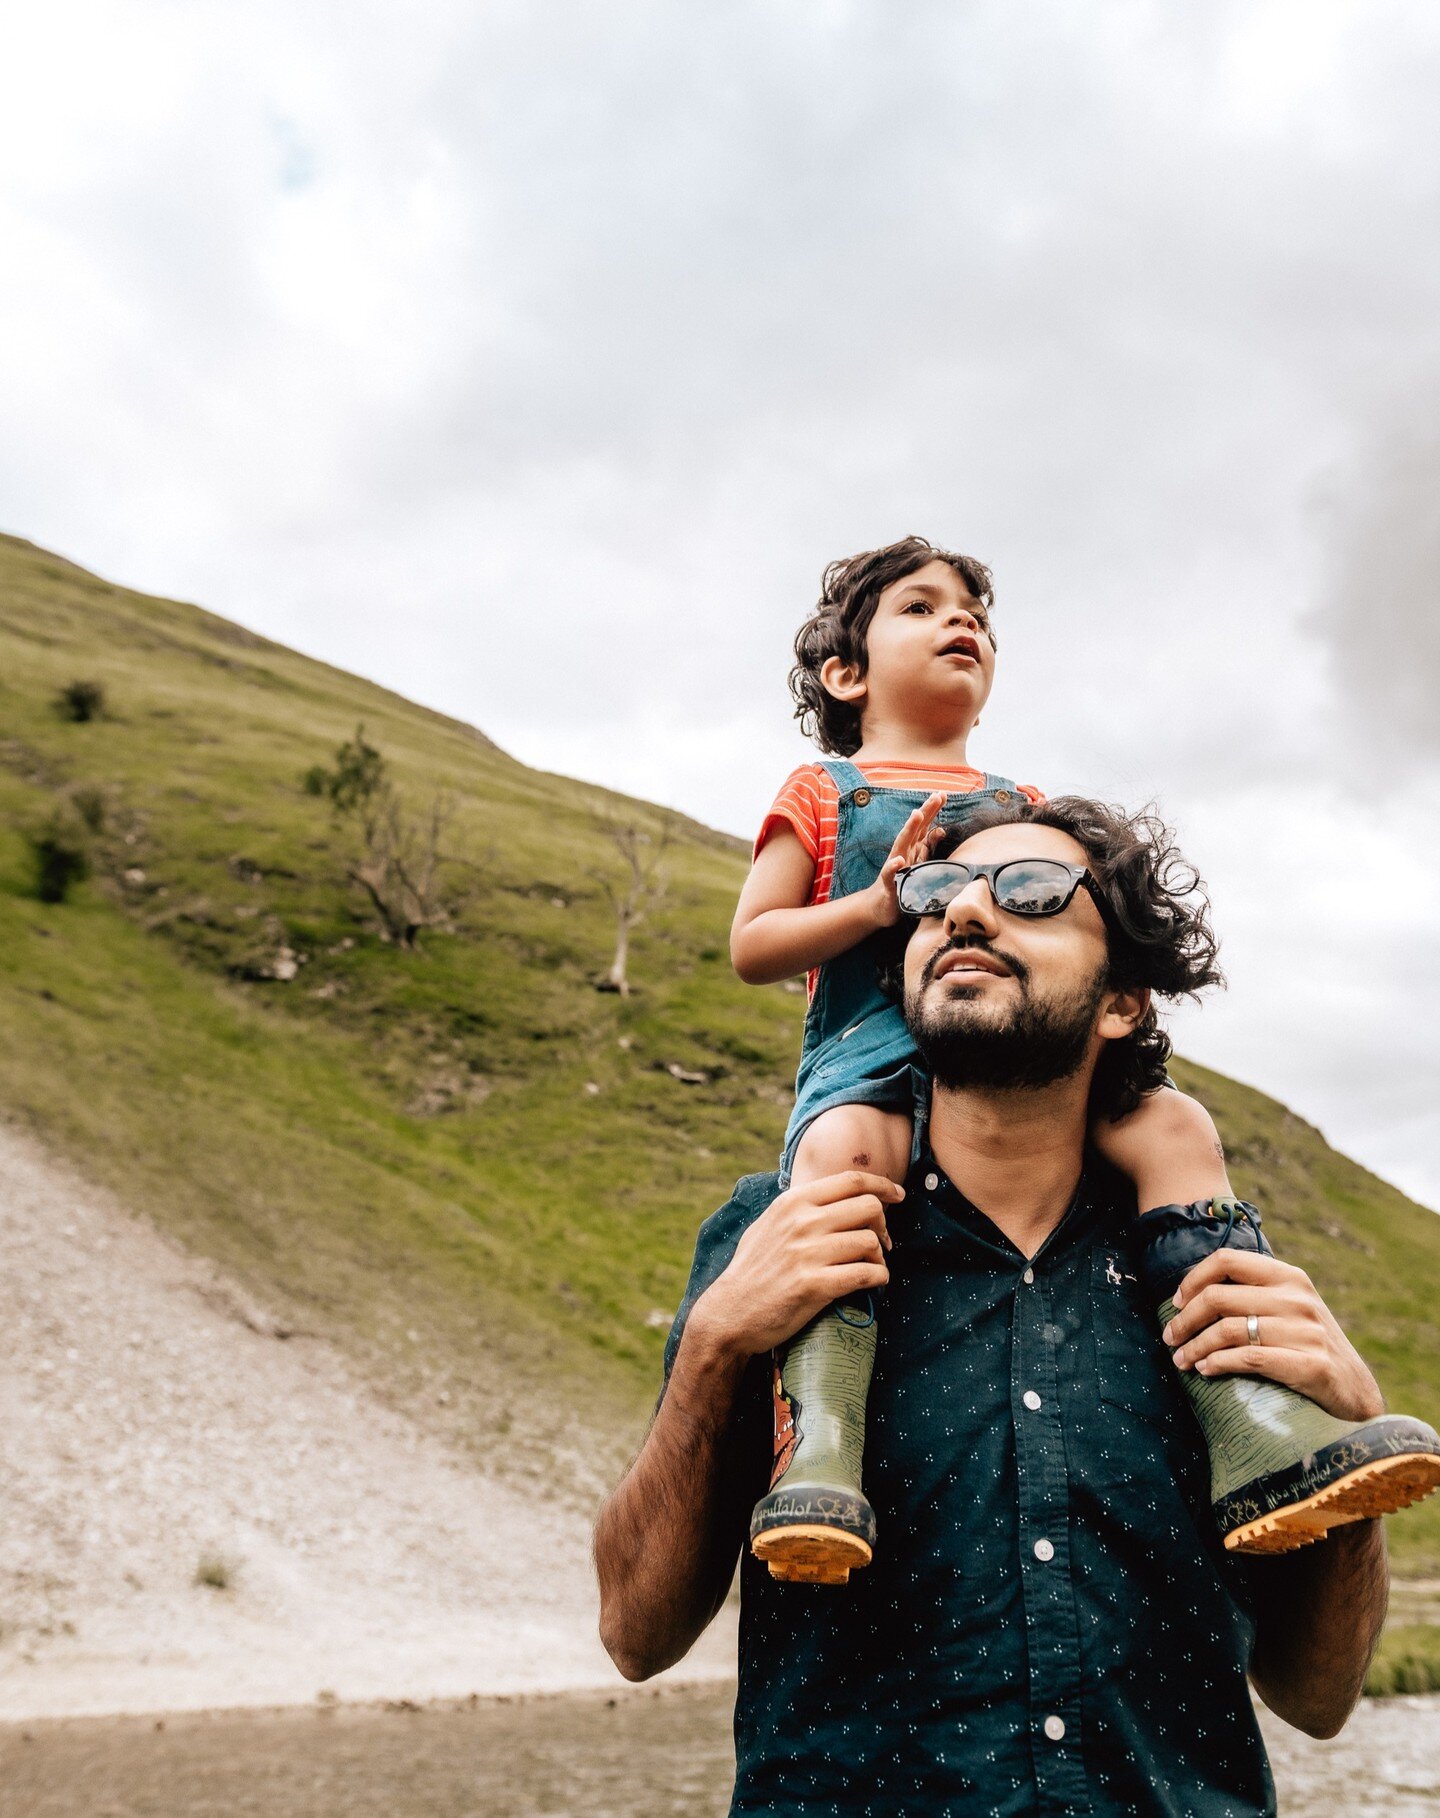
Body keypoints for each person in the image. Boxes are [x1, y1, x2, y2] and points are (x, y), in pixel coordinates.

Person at [596, 795, 1440, 1816]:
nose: (965, 914)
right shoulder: (779, 1242)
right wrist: (715, 1348)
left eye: (1031, 894)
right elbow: (636, 1635)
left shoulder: (1211, 1267)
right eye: (936, 894)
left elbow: (1318, 1697)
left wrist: (1343, 1471)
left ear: (1123, 1000)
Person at [730, 537, 1230, 1581]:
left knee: (1175, 1124)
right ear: (846, 674)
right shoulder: (824, 789)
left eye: (976, 615)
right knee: (842, 1154)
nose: (961, 622)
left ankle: (1249, 1402)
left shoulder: (1018, 800)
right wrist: (875, 905)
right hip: (872, 1050)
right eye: (920, 607)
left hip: (1024, 1054)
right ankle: (821, 1435)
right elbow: (754, 945)